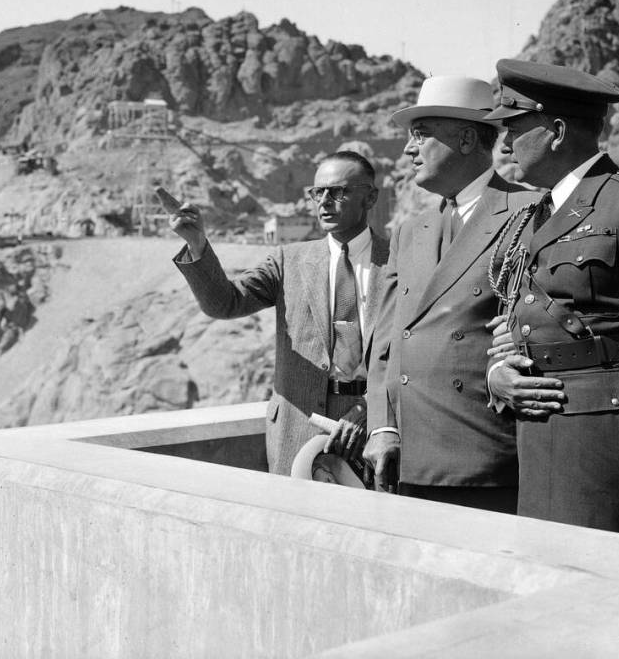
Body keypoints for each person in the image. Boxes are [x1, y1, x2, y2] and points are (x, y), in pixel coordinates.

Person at [485, 58, 619, 537]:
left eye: (513, 126)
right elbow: (517, 325)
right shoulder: (534, 215)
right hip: (541, 441)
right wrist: (498, 374)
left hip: (611, 451)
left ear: (556, 130)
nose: (503, 143)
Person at [363, 76, 539, 513]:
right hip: (409, 460)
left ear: (465, 138)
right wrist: (383, 427)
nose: (408, 149)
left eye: (421, 134)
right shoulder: (409, 231)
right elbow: (386, 343)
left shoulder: (530, 212)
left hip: (487, 461)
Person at [170, 151, 390, 476]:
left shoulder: (398, 260)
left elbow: (410, 355)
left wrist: (370, 410)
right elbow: (226, 302)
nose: (325, 201)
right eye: (318, 193)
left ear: (370, 197)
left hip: (372, 430)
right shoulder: (289, 261)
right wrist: (198, 245)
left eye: (339, 191)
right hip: (296, 428)